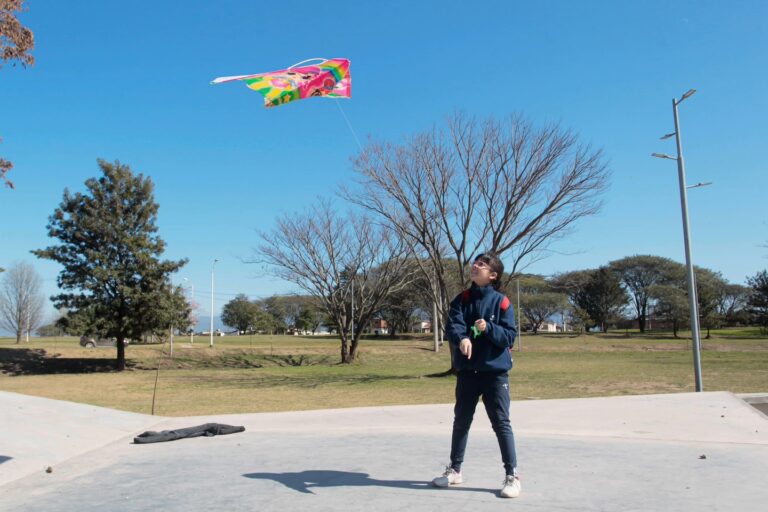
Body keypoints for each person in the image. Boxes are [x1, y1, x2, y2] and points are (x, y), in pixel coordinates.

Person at [432, 252, 520, 498]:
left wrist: (489, 327)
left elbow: (509, 337)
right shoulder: (461, 299)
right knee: (461, 421)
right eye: (475, 262)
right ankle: (455, 470)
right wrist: (462, 338)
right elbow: (453, 325)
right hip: (468, 373)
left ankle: (512, 476)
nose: (475, 266)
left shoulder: (502, 302)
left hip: (495, 374)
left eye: (482, 264)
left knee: (501, 423)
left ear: (493, 275)